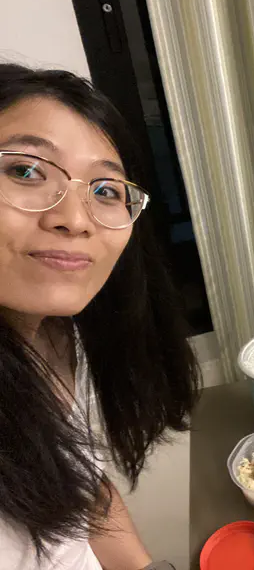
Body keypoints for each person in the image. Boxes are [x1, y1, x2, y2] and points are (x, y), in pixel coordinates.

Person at [0, 64, 200, 569]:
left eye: (106, 190)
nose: (74, 217)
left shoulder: (59, 334)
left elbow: (80, 489)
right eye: (26, 171)